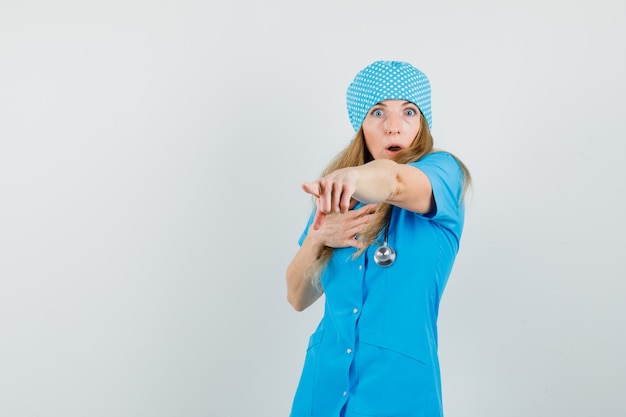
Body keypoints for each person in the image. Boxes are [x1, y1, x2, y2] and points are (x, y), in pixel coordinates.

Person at [286, 60, 471, 417]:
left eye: (409, 112)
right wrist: (317, 238)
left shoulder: (443, 174)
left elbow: (394, 180)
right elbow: (297, 296)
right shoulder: (338, 199)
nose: (394, 126)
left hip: (397, 393)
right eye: (377, 112)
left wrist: (352, 177)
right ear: (361, 126)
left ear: (422, 124)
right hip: (320, 392)